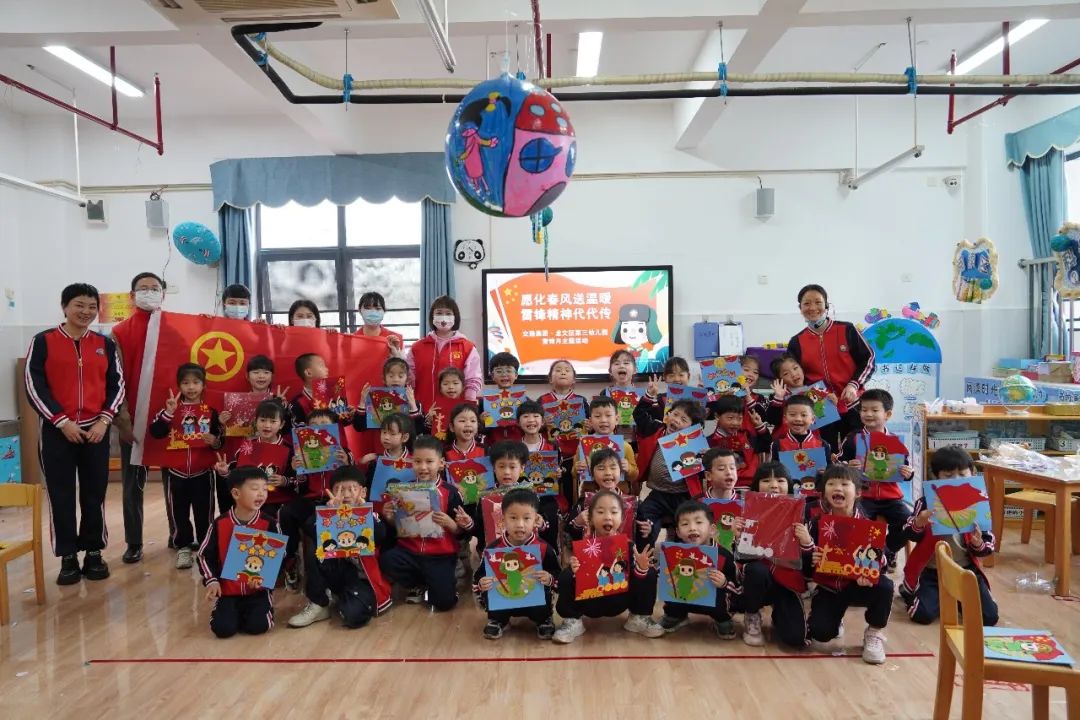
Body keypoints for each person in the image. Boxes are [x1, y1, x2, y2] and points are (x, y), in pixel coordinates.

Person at [25, 283, 125, 585]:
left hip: (96, 431)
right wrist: (61, 421)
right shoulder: (43, 341)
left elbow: (117, 385)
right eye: (79, 305)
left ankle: (93, 552)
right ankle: (67, 556)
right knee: (61, 495)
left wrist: (104, 421)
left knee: (95, 494)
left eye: (92, 306)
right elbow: (34, 385)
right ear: (65, 307)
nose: (86, 312)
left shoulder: (104, 344)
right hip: (57, 432)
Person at [899, 446, 998, 626]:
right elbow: (908, 533)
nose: (956, 480)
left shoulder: (978, 502)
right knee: (922, 615)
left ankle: (955, 597)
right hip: (932, 572)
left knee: (989, 617)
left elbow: (988, 546)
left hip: (966, 571)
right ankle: (915, 592)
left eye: (962, 474)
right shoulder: (926, 502)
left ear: (972, 473)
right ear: (937, 477)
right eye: (948, 475)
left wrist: (978, 543)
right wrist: (919, 522)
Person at [806, 465, 892, 665]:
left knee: (885, 586)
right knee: (820, 632)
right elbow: (805, 569)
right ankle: (836, 620)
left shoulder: (870, 526)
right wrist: (811, 558)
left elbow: (883, 562)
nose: (838, 488)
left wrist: (870, 573)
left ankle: (874, 632)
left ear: (858, 492)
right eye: (831, 484)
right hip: (830, 587)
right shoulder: (816, 524)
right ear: (824, 491)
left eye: (845, 484)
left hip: (857, 585)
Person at [288, 465, 393, 629]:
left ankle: (346, 598)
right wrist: (330, 514)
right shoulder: (327, 513)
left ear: (363, 492)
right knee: (317, 546)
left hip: (361, 578)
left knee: (354, 617)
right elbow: (309, 528)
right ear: (331, 492)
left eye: (352, 489)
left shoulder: (370, 514)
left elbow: (380, 534)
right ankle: (319, 603)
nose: (346, 495)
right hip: (336, 572)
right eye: (339, 490)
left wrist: (364, 513)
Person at [553, 490, 663, 643]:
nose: (608, 516)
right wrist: (574, 571)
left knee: (648, 572)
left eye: (614, 512)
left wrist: (642, 568)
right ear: (590, 518)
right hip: (589, 603)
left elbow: (639, 581)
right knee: (566, 575)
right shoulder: (583, 547)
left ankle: (639, 618)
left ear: (622, 518)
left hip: (619, 600)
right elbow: (572, 579)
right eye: (600, 512)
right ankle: (572, 621)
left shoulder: (628, 546)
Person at [379, 436, 473, 610]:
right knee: (387, 560)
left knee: (444, 603)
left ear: (441, 463)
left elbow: (462, 532)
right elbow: (398, 527)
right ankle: (417, 584)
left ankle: (447, 575)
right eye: (417, 461)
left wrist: (451, 524)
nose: (423, 467)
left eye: (429, 461)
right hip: (409, 551)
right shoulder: (403, 490)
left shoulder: (451, 492)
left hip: (440, 555)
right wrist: (390, 517)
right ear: (411, 463)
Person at [111, 271, 167, 564]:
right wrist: (122, 419)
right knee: (133, 484)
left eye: (154, 288)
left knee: (175, 480)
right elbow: (115, 380)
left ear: (163, 294)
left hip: (169, 418)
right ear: (132, 296)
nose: (149, 292)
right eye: (143, 289)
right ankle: (134, 542)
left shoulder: (175, 326)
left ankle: (180, 535)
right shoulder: (119, 332)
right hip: (132, 418)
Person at [148, 363, 223, 570]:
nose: (191, 387)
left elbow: (220, 441)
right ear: (179, 385)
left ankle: (206, 548)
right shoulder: (170, 409)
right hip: (176, 473)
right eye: (185, 383)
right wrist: (168, 412)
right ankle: (183, 547)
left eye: (196, 382)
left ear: (203, 385)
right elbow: (156, 432)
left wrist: (214, 441)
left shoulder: (211, 412)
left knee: (204, 512)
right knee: (178, 512)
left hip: (203, 472)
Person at [787, 284, 875, 446]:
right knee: (827, 451)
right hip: (821, 407)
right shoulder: (796, 342)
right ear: (800, 308)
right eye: (806, 303)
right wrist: (820, 394)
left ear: (826, 305)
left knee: (857, 450)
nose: (813, 308)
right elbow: (795, 379)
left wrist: (854, 385)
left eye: (818, 302)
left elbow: (868, 359)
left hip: (853, 402)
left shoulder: (847, 329)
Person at [197, 466, 278, 638]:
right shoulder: (220, 523)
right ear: (236, 493)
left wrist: (263, 581)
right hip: (228, 591)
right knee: (223, 630)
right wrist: (212, 580)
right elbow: (204, 555)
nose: (261, 494)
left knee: (258, 626)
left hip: (257, 592)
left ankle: (255, 611)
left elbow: (279, 556)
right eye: (254, 489)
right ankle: (230, 613)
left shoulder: (269, 523)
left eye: (265, 489)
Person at [733, 462, 808, 648]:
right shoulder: (745, 510)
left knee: (795, 638)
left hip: (786, 581)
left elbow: (808, 563)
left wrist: (806, 542)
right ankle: (752, 614)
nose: (774, 485)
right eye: (766, 480)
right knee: (756, 570)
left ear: (789, 484)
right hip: (758, 579)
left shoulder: (800, 511)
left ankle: (780, 614)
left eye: (780, 480)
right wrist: (738, 537)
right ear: (756, 485)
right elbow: (739, 558)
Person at [837, 388, 914, 568]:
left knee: (910, 523)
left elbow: (906, 469)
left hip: (891, 497)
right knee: (856, 522)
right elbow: (838, 463)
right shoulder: (853, 438)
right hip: (862, 496)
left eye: (874, 410)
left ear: (887, 414)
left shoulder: (896, 441)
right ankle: (865, 558)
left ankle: (887, 552)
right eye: (864, 410)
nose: (868, 414)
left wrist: (908, 473)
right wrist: (847, 466)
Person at [472, 489, 559, 640]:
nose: (520, 524)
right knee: (491, 587)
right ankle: (497, 620)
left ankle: (543, 619)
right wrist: (481, 583)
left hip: (534, 599)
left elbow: (558, 574)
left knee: (544, 592)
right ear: (502, 520)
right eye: (513, 518)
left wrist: (550, 578)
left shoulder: (544, 548)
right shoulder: (493, 550)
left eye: (527, 518)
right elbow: (478, 576)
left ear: (536, 520)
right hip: (503, 598)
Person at [632, 397, 707, 550]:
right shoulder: (656, 429)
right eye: (675, 414)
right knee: (643, 517)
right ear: (668, 414)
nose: (677, 420)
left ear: (692, 428)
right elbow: (638, 415)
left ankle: (678, 549)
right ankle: (645, 553)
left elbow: (703, 473)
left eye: (684, 419)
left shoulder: (694, 444)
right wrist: (648, 396)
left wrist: (705, 458)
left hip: (682, 495)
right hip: (657, 494)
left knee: (687, 524)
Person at [657, 500, 737, 638]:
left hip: (714, 603)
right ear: (678, 532)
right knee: (672, 584)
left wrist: (725, 582)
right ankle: (675, 615)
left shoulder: (724, 555)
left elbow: (738, 587)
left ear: (712, 529)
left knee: (721, 594)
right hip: (683, 597)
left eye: (699, 522)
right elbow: (662, 575)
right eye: (685, 524)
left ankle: (722, 619)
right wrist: (658, 572)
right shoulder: (673, 553)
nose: (692, 528)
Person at [406, 295, 482, 409]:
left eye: (448, 313)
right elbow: (408, 379)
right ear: (432, 316)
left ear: (455, 317)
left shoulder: (467, 347)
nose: (443, 317)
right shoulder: (417, 348)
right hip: (423, 410)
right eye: (439, 313)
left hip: (456, 413)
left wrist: (468, 406)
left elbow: (473, 379)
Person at [571, 397, 638, 494]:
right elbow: (575, 474)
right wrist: (576, 469)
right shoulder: (583, 445)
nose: (603, 420)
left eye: (608, 415)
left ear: (616, 419)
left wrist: (629, 468)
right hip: (591, 494)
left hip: (618, 495)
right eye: (597, 416)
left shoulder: (625, 446)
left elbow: (634, 476)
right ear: (590, 421)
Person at [705, 395, 770, 490]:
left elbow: (765, 446)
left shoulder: (747, 436)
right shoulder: (709, 442)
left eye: (739, 418)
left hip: (750, 486)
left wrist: (759, 425)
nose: (735, 423)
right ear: (717, 416)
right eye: (730, 418)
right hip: (722, 489)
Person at [567, 448, 631, 542]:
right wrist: (578, 523)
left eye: (613, 468)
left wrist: (647, 528)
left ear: (620, 472)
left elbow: (637, 531)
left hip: (622, 550)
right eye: (601, 468)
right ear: (592, 475)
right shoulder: (584, 502)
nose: (608, 473)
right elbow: (570, 533)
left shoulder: (631, 504)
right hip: (592, 550)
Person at [483, 352, 525, 444]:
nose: (504, 374)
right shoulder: (484, 402)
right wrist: (481, 420)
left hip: (519, 444)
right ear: (492, 376)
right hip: (493, 445)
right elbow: (481, 430)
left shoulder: (525, 401)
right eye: (499, 371)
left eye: (508, 371)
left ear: (516, 375)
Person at [638, 356, 693, 425]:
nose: (676, 379)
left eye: (681, 375)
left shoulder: (695, 401)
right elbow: (642, 416)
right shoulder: (658, 399)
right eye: (671, 375)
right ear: (664, 377)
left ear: (688, 376)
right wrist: (650, 395)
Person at [356, 291, 404, 358]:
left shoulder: (395, 339)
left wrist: (396, 355)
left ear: (384, 311)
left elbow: (402, 364)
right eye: (368, 308)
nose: (373, 312)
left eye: (378, 309)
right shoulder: (353, 340)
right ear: (360, 310)